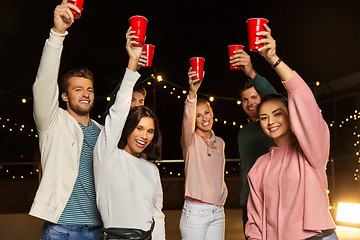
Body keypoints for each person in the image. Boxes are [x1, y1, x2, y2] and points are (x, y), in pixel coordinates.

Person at [245, 25, 337, 239]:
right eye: (264, 117)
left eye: (277, 114)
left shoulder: (312, 150)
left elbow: (302, 96)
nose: (271, 122)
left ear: (291, 116)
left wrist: (273, 59)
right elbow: (254, 220)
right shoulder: (260, 166)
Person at [30, 1, 103, 238]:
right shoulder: (53, 123)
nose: (85, 94)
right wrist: (57, 33)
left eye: (90, 89)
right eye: (78, 89)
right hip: (61, 230)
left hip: (99, 228)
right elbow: (43, 84)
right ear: (64, 96)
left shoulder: (102, 131)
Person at [94, 28, 165, 240]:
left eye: (150, 131)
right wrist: (133, 62)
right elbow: (117, 112)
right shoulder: (107, 155)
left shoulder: (151, 169)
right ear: (127, 128)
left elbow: (157, 215)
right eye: (139, 128)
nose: (144, 135)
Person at [231, 47, 277, 238]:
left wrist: (250, 71)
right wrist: (244, 197)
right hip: (248, 203)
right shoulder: (242, 133)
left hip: (273, 201)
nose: (250, 103)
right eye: (245, 99)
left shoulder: (274, 127)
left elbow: (276, 100)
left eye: (254, 97)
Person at [179, 67, 228, 240]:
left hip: (218, 211)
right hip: (196, 213)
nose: (204, 118)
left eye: (206, 112)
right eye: (198, 115)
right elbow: (187, 119)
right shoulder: (190, 141)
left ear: (212, 112)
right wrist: (193, 92)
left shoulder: (220, 142)